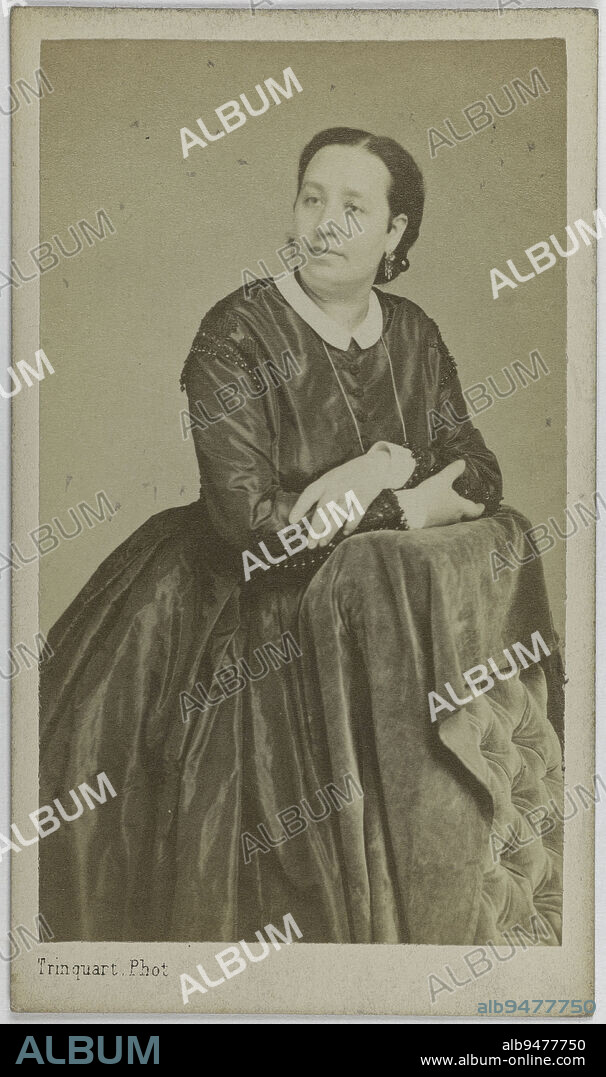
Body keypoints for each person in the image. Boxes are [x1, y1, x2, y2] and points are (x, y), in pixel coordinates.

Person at [40, 127, 563, 945]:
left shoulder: (415, 335)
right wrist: (384, 481)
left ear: (395, 233)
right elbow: (256, 533)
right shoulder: (236, 333)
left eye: (354, 207)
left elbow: (477, 472)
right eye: (312, 198)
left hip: (371, 623)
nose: (325, 222)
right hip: (228, 618)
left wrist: (386, 496)